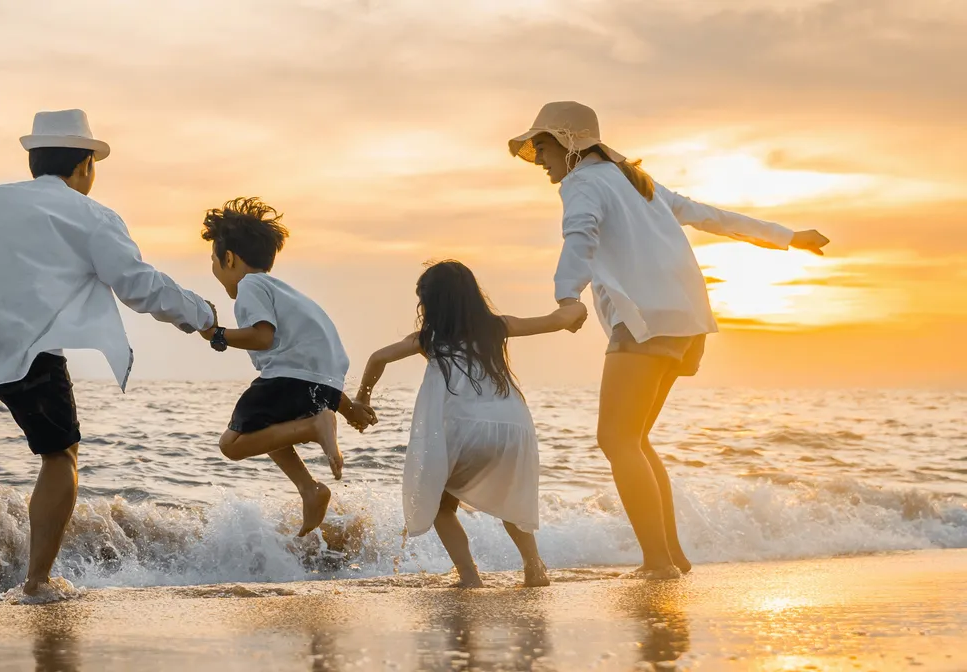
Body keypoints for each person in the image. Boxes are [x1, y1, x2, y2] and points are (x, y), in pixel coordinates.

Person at [0, 109, 218, 605]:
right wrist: (204, 318)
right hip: (29, 351)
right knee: (59, 455)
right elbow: (139, 285)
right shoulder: (92, 216)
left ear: (34, 162)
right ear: (85, 165)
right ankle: (36, 582)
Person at [508, 101, 831, 578]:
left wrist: (565, 297)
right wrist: (788, 236)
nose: (538, 155)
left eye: (542, 143)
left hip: (646, 321)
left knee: (615, 440)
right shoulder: (637, 183)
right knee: (634, 439)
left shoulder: (584, 183)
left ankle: (657, 563)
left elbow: (581, 233)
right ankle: (671, 557)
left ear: (569, 143)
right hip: (687, 323)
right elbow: (708, 215)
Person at [353, 260, 586, 588]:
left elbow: (378, 357)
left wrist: (362, 398)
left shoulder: (429, 338)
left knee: (440, 505)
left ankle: (469, 576)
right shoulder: (497, 327)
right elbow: (558, 319)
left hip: (466, 429)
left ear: (431, 303)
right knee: (511, 504)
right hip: (513, 428)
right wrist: (576, 307)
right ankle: (534, 567)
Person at [195, 197, 376, 538]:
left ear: (228, 258)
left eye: (213, 261)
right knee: (267, 429)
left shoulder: (250, 287)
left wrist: (217, 335)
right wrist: (349, 409)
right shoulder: (290, 294)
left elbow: (263, 337)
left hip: (289, 379)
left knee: (232, 444)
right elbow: (317, 372)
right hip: (319, 384)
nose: (215, 269)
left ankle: (312, 429)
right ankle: (310, 489)